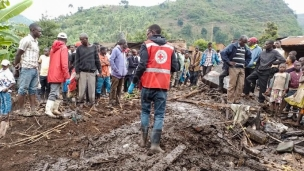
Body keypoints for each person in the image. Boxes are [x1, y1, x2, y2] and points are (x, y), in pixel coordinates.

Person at [128, 24, 178, 153]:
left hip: (147, 85)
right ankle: (155, 145)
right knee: (159, 115)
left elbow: (142, 65)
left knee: (145, 112)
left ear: (152, 32)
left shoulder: (147, 45)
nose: (146, 35)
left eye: (147, 33)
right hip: (162, 86)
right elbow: (175, 67)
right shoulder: (170, 47)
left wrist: (134, 81)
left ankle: (143, 141)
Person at [13, 23, 42, 116]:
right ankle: (21, 110)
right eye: (39, 31)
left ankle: (33, 110)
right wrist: (16, 69)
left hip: (34, 69)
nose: (40, 33)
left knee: (33, 90)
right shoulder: (26, 40)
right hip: (26, 69)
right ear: (33, 30)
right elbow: (18, 54)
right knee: (22, 90)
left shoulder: (36, 42)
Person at [45, 33, 70, 118]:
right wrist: (67, 76)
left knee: (56, 92)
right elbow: (64, 64)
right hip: (59, 73)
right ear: (65, 40)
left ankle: (54, 109)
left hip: (52, 72)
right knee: (54, 92)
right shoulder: (64, 48)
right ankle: (48, 110)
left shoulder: (53, 48)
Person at [221, 35, 252, 103]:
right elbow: (223, 53)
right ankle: (230, 100)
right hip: (234, 68)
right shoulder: (233, 46)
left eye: (246, 42)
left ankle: (237, 100)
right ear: (240, 40)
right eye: (244, 42)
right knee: (232, 84)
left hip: (242, 68)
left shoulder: (246, 48)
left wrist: (245, 63)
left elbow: (249, 56)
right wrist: (229, 62)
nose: (245, 44)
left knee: (241, 85)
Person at [75, 33, 101, 110]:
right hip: (82, 72)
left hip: (92, 72)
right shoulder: (79, 48)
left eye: (82, 39)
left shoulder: (93, 47)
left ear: (86, 38)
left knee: (92, 89)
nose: (81, 41)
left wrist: (100, 70)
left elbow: (97, 60)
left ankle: (92, 104)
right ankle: (80, 103)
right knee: (82, 89)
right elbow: (77, 61)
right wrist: (77, 73)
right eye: (80, 39)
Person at [109, 39, 128, 106]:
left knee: (119, 88)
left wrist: (125, 70)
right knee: (113, 88)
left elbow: (125, 62)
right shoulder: (116, 50)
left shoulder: (123, 51)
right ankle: (111, 101)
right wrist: (115, 69)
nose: (126, 44)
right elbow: (111, 60)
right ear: (122, 44)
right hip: (116, 74)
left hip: (122, 74)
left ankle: (118, 101)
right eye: (125, 43)